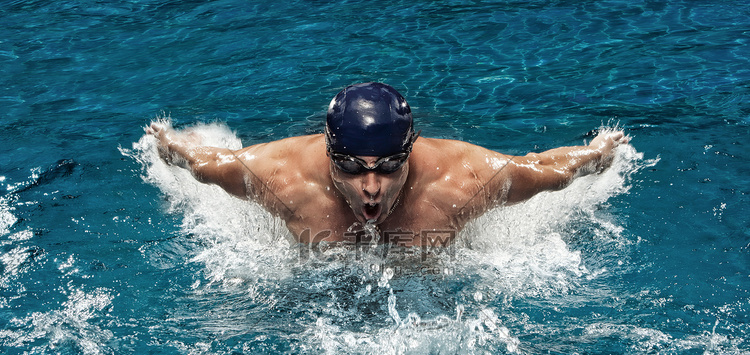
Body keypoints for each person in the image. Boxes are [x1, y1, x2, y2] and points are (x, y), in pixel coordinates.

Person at [147, 82, 628, 246]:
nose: (371, 186)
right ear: (330, 155)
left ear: (411, 153)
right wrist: (169, 145)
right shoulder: (280, 176)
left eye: (389, 166)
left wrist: (601, 152)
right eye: (354, 168)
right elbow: (204, 162)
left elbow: (545, 170)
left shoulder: (464, 179)